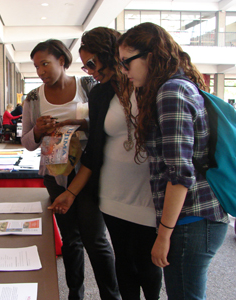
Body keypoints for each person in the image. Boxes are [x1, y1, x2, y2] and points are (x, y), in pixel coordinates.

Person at [117, 22, 229, 300]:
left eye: (126, 63)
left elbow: (179, 173)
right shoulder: (176, 87)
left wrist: (164, 234)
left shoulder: (171, 92)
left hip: (192, 218)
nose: (124, 71)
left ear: (151, 57)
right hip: (193, 217)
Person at [49, 27, 162, 300]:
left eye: (92, 63)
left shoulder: (152, 87)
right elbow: (94, 152)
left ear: (109, 53)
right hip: (113, 196)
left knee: (148, 265)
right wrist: (71, 193)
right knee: (123, 263)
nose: (90, 71)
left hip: (149, 194)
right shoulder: (100, 95)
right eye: (85, 66)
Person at [22, 39, 120, 300]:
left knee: (96, 239)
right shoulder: (32, 98)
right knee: (70, 239)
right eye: (36, 66)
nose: (40, 71)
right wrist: (38, 131)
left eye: (45, 63)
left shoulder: (88, 86)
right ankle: (75, 293)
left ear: (62, 61)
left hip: (89, 171)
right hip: (55, 174)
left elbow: (104, 127)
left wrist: (81, 124)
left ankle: (111, 295)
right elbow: (27, 143)